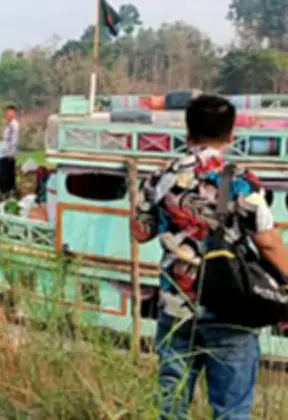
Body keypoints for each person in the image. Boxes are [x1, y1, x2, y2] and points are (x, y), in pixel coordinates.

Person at [132, 95, 288, 419]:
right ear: (231, 135)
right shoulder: (242, 180)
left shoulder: (159, 178)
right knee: (231, 410)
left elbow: (140, 232)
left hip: (177, 306)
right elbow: (268, 242)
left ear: (187, 133)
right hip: (231, 306)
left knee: (171, 407)